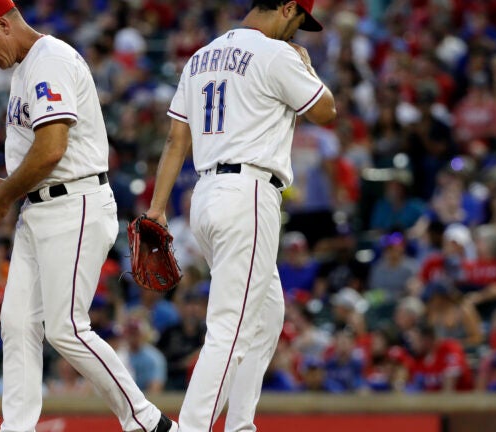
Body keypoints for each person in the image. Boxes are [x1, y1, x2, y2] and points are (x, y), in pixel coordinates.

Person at [0, 1, 177, 431]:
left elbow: (52, 148)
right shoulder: (26, 67)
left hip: (73, 205)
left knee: (66, 329)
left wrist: (6, 196)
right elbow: (45, 153)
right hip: (41, 206)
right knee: (17, 323)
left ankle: (149, 423)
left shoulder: (49, 60)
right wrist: (9, 187)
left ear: (3, 24)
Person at [143, 0, 336, 429]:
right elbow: (326, 111)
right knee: (230, 327)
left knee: (267, 314)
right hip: (248, 195)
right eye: (301, 21)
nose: (299, 33)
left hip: (206, 197)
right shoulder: (277, 53)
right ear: (288, 8)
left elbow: (177, 140)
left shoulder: (200, 56)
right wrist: (307, 68)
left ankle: (240, 425)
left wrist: (157, 208)